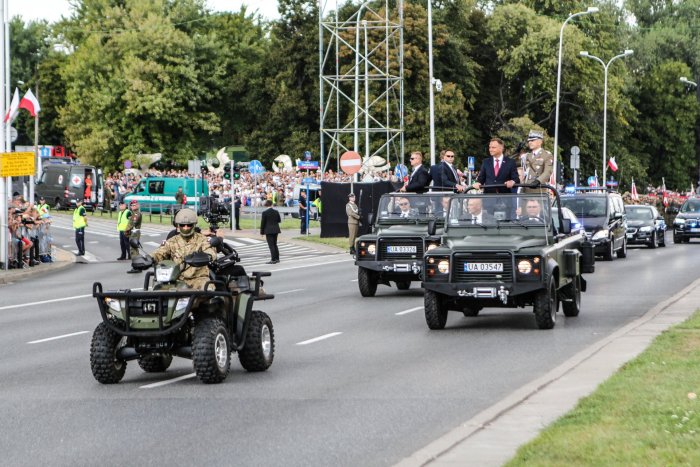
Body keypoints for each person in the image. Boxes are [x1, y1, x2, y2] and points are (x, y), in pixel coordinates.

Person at [151, 209, 217, 290]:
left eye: (189, 225)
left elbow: (210, 250)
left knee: (209, 289)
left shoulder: (202, 239)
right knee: (157, 293)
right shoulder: (171, 241)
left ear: (194, 225)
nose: (185, 228)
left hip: (198, 279)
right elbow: (160, 252)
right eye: (182, 225)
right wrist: (149, 258)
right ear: (178, 225)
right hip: (176, 280)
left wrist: (206, 256)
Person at [260, 200, 281, 264]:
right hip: (276, 229)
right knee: (275, 244)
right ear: (271, 204)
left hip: (268, 230)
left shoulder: (264, 212)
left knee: (271, 245)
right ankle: (277, 258)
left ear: (266, 205)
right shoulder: (276, 211)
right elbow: (279, 220)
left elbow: (263, 223)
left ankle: (273, 259)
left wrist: (262, 232)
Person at [126, 200, 143, 273]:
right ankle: (138, 266)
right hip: (134, 232)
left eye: (135, 205)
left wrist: (126, 231)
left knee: (133, 250)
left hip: (134, 233)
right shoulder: (134, 214)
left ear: (138, 205)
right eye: (132, 205)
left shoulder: (136, 214)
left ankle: (136, 267)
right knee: (135, 249)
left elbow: (132, 223)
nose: (133, 206)